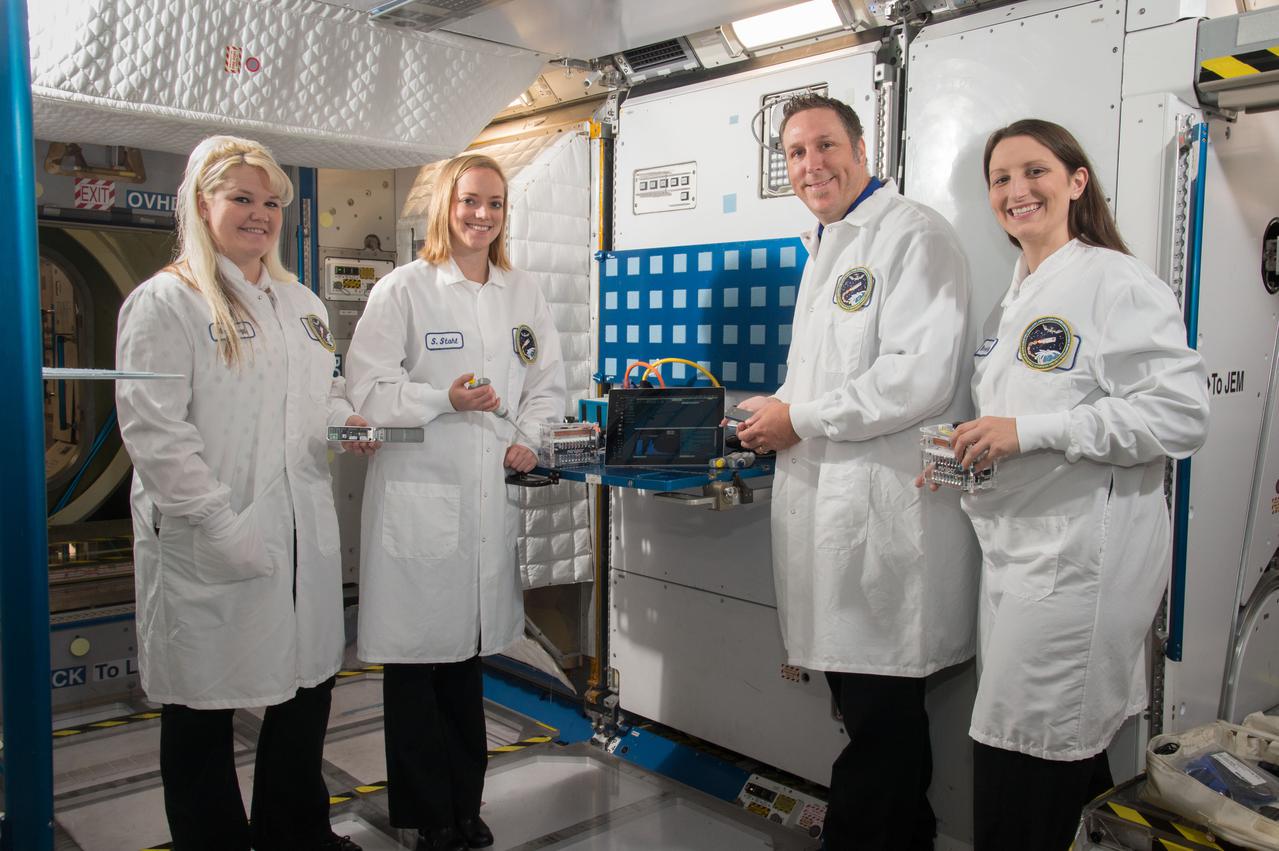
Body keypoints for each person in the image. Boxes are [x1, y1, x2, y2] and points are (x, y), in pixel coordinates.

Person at [940, 119, 1209, 849]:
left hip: (1077, 566)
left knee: (1021, 763)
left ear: (1075, 181)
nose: (1015, 190)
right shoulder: (1015, 298)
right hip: (1019, 558)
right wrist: (963, 452)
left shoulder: (1113, 280)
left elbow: (1179, 416)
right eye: (999, 178)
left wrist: (1031, 432)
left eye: (1033, 172)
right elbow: (1018, 419)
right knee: (1051, 754)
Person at [115, 136, 375, 851]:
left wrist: (347, 422)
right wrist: (222, 525)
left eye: (270, 203)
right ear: (203, 204)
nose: (259, 215)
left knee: (306, 690)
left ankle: (296, 835)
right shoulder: (166, 302)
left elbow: (317, 398)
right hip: (210, 537)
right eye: (241, 199)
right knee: (200, 710)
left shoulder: (298, 301)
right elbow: (156, 435)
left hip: (300, 533)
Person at [734, 93, 978, 850]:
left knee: (879, 723)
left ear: (862, 147)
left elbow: (919, 379)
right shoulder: (828, 245)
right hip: (835, 520)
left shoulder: (912, 236)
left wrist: (797, 419)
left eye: (824, 146)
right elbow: (817, 377)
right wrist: (767, 408)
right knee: (874, 717)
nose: (811, 164)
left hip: (885, 526)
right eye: (796, 152)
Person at [344, 153, 566, 851]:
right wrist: (445, 398)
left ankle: (463, 807)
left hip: (482, 499)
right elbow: (368, 393)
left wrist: (529, 437)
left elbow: (547, 381)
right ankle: (424, 816)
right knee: (416, 668)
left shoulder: (519, 291)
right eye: (470, 201)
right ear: (445, 206)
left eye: (495, 204)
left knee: (466, 663)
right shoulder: (404, 290)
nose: (482, 215)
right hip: (419, 494)